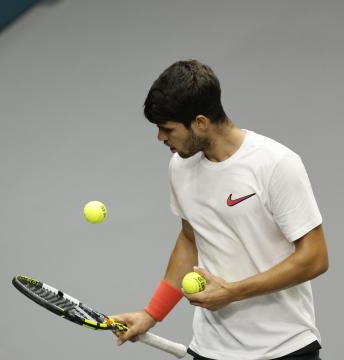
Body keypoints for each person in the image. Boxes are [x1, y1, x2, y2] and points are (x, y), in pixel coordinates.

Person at [112, 60, 328, 360]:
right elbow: (190, 239)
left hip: (285, 348)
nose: (160, 138)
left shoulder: (276, 164)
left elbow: (315, 258)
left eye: (167, 129)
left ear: (200, 123)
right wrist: (152, 313)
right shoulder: (180, 168)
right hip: (211, 348)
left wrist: (234, 291)